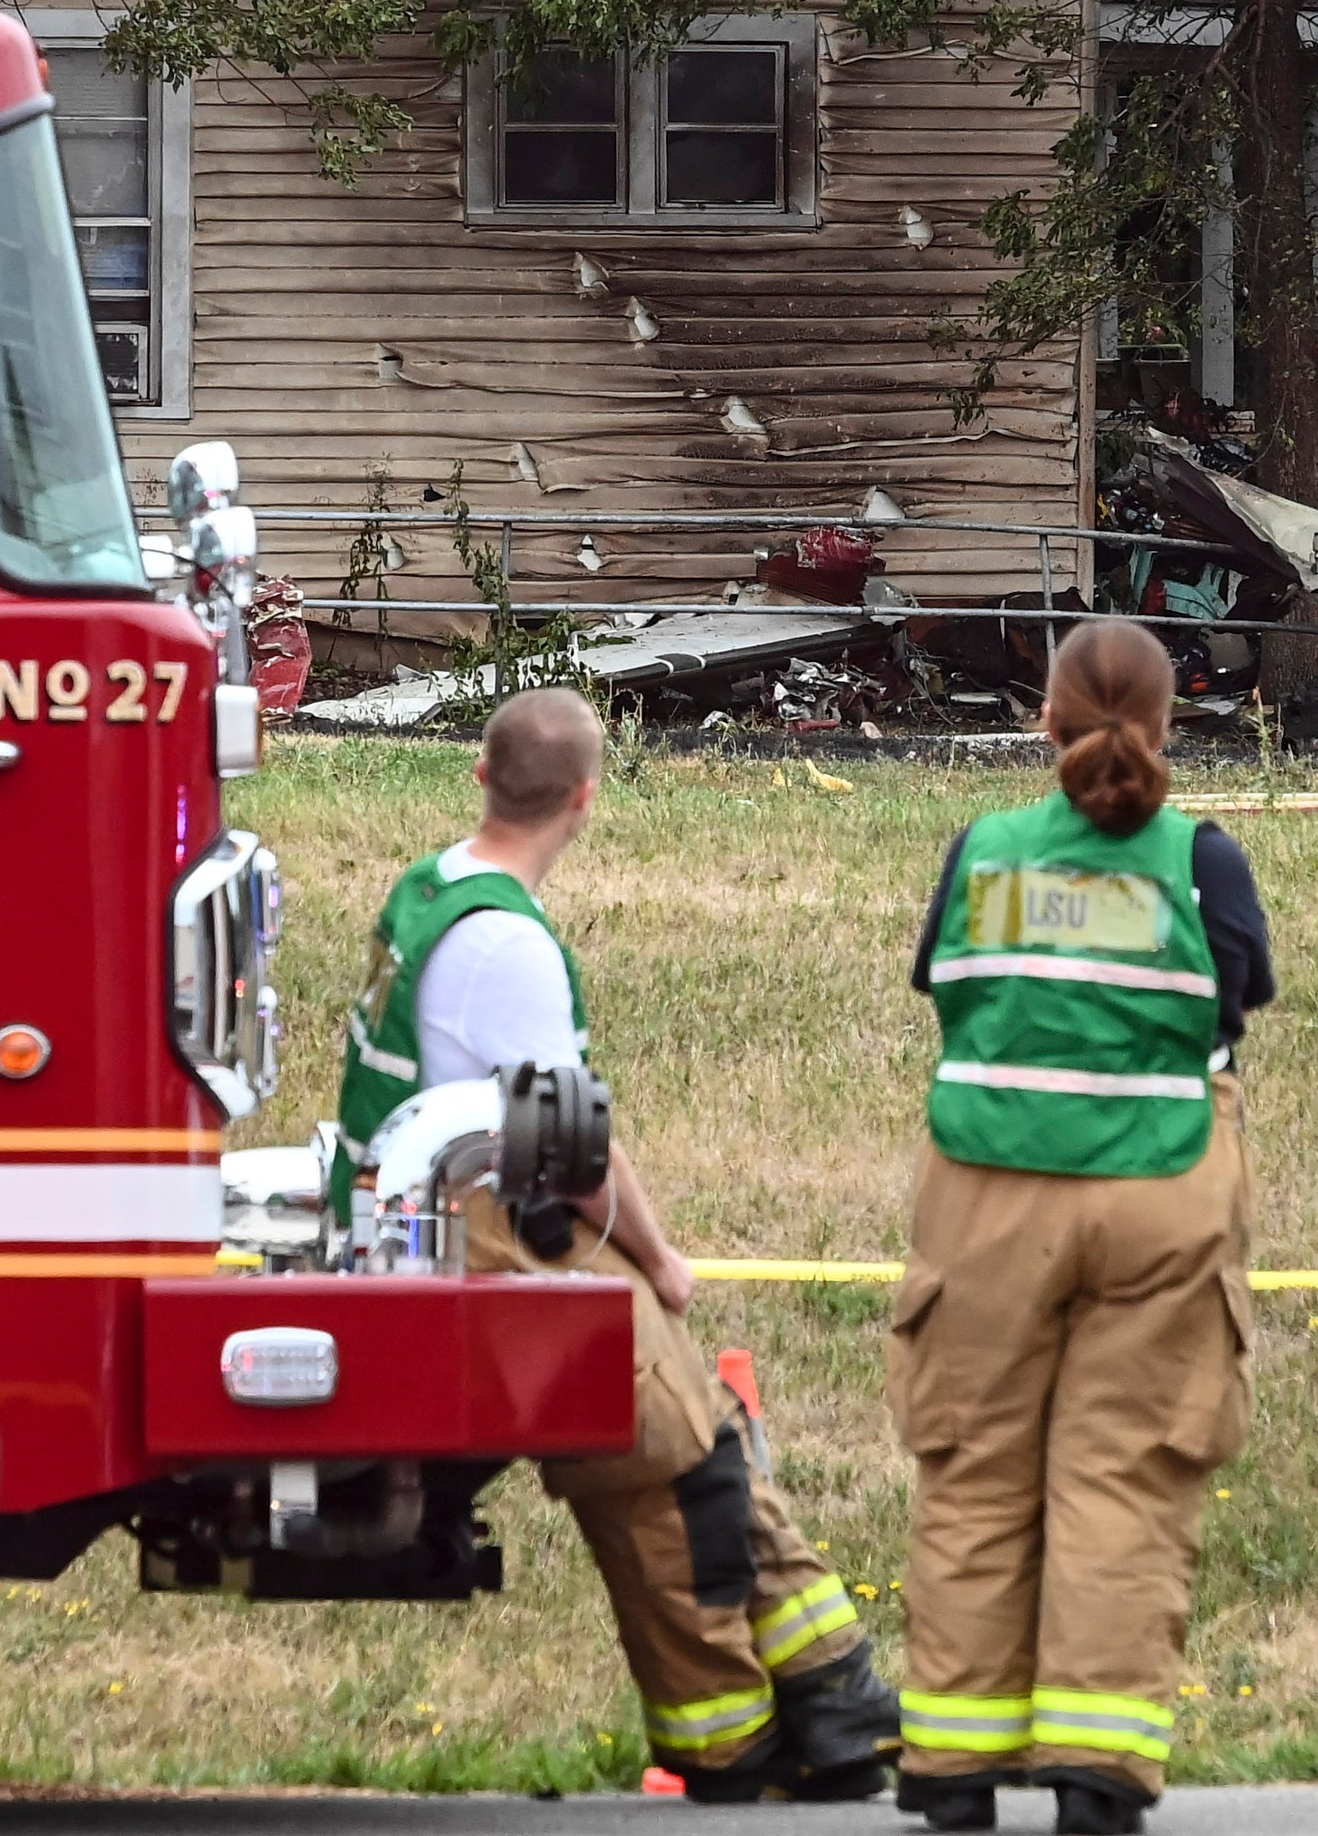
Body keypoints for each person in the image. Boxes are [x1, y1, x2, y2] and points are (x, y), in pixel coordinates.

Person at [335, 687, 898, 1803]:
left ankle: (837, 1702)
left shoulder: (431, 888)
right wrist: (663, 1259)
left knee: (699, 1431)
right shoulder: (507, 943)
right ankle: (743, 1738)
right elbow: (576, 1150)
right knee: (672, 1448)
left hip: (433, 1214)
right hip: (484, 1230)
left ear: (481, 775)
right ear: (587, 799)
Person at [890, 619, 1276, 1836]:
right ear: (1168, 726)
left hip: (987, 1192)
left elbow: (941, 981)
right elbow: (1239, 998)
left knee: (974, 1470)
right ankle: (1097, 1775)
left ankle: (953, 1770)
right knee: (1127, 1472)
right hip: (1163, 1189)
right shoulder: (1202, 860)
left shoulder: (983, 850)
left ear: (1044, 720)